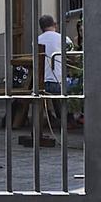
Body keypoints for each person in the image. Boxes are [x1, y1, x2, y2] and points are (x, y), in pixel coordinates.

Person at [29, 12, 67, 142]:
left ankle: (54, 119)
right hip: (59, 83)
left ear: (41, 27)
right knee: (72, 86)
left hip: (40, 84)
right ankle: (67, 118)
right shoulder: (63, 39)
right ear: (55, 25)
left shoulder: (37, 41)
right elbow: (73, 57)